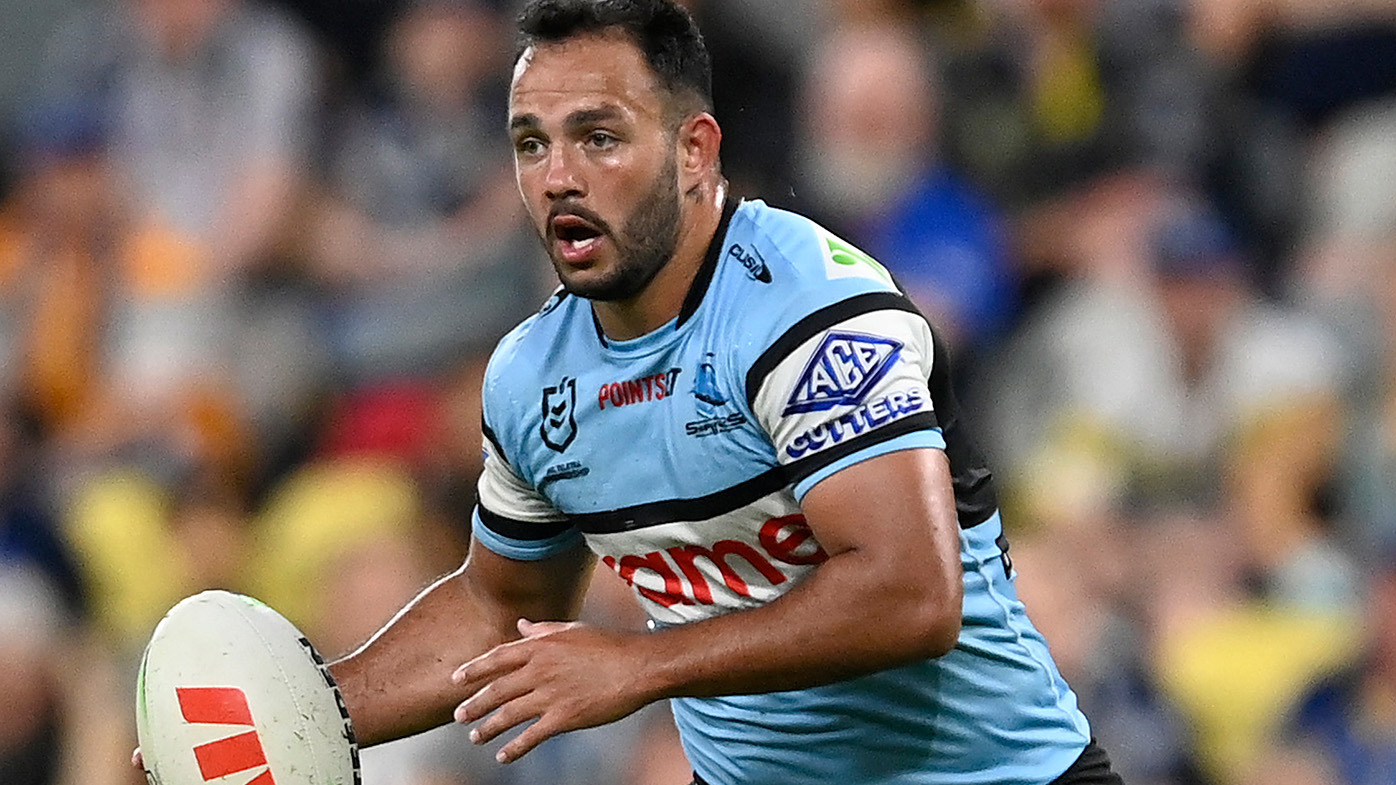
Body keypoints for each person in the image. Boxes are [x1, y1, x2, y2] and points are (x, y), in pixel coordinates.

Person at [135, 1, 1120, 782]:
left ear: (695, 151)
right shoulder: (531, 376)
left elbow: (911, 591)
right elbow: (495, 605)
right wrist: (291, 713)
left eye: (598, 137)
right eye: (530, 143)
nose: (558, 176)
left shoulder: (812, 313)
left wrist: (638, 662)